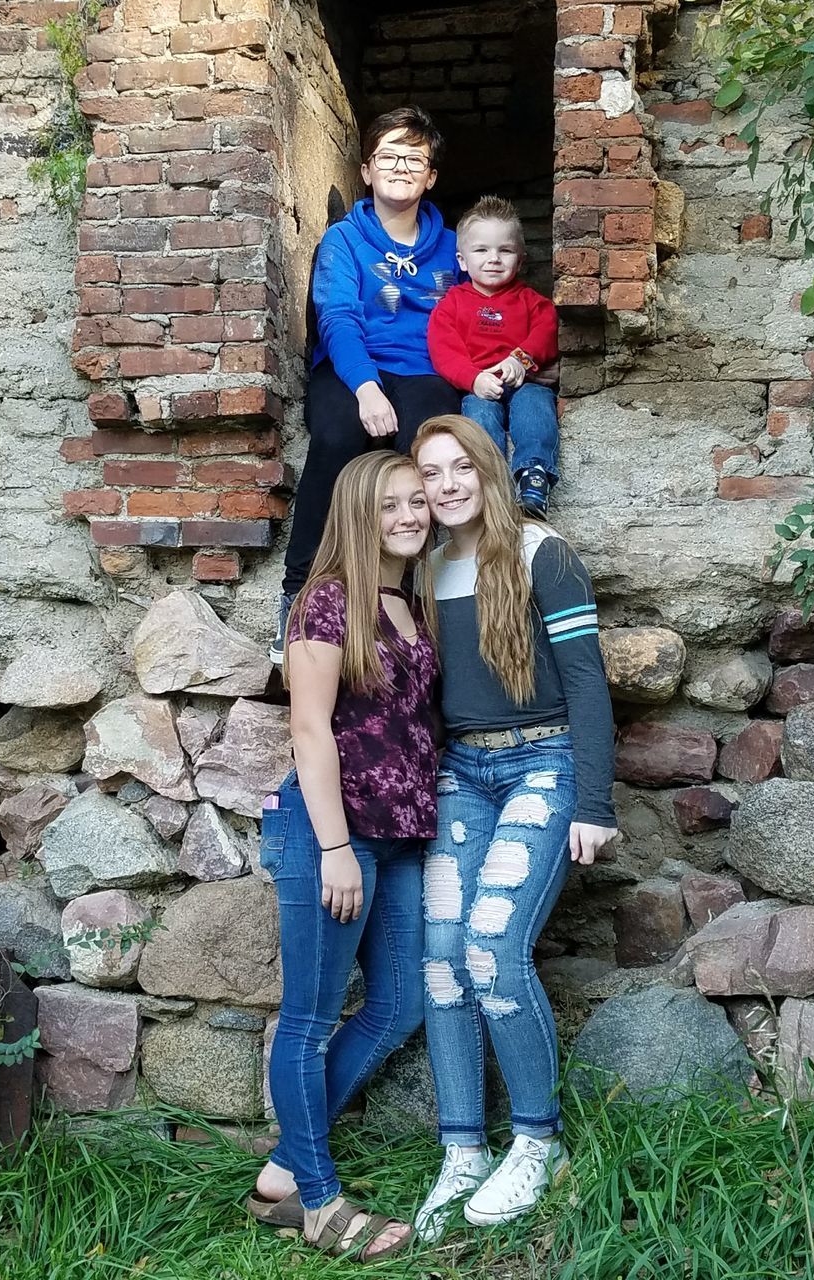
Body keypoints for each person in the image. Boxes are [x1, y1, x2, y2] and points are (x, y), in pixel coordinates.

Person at [409, 415, 618, 1241]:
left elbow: (588, 684)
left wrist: (595, 804)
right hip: (459, 773)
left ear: (491, 469)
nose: (449, 485)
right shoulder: (422, 569)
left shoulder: (540, 553)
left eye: (463, 466)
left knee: (491, 948)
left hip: (545, 762)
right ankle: (461, 1150)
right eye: (431, 473)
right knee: (440, 963)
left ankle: (539, 1142)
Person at [248, 451, 439, 1262]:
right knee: (311, 1019)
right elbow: (308, 728)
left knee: (401, 1004)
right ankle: (320, 1207)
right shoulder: (326, 604)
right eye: (390, 503)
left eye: (417, 499)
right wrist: (333, 848)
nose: (409, 514)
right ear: (359, 516)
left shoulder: (410, 601)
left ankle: (284, 1171)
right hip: (331, 829)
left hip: (398, 833)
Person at [270, 104, 462, 663]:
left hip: (426, 369)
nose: (401, 167)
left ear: (430, 177)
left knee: (426, 447)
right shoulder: (343, 240)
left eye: (415, 159)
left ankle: (413, 601)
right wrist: (366, 387)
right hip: (352, 368)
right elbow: (337, 317)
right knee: (336, 439)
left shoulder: (454, 247)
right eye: (389, 156)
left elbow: (481, 309)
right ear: (367, 170)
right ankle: (297, 593)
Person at [427, 196, 560, 517]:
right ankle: (490, 483)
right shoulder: (451, 305)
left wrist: (522, 360)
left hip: (525, 381)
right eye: (481, 250)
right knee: (478, 415)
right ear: (462, 260)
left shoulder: (531, 301)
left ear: (521, 258)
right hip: (479, 386)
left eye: (505, 250)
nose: (494, 259)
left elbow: (548, 332)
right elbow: (444, 351)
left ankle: (534, 477)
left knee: (535, 405)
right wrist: (473, 379)